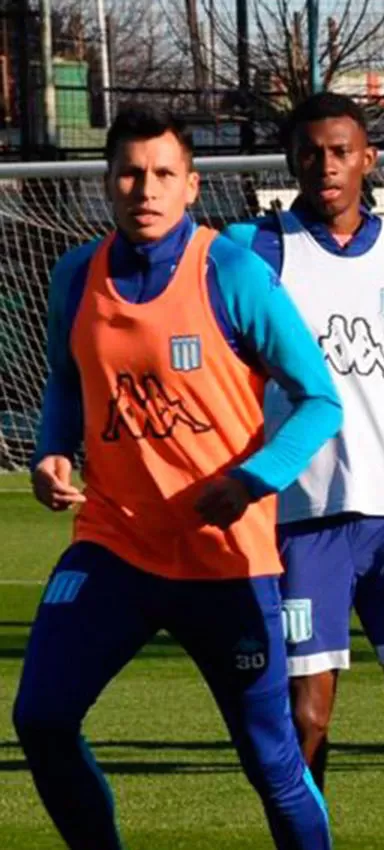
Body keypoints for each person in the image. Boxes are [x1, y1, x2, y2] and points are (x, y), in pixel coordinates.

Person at [14, 106, 341, 849]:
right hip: (115, 546)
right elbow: (67, 383)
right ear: (106, 183)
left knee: (272, 762)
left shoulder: (231, 271)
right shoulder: (75, 276)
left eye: (163, 174)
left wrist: (254, 481)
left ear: (191, 186)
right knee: (40, 718)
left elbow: (321, 401)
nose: (146, 189)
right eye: (130, 173)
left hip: (224, 557)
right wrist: (52, 451)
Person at [225, 92, 384, 850]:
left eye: (340, 151)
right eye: (310, 151)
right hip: (300, 517)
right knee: (305, 712)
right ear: (290, 158)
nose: (325, 165)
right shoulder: (255, 253)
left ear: (368, 159)